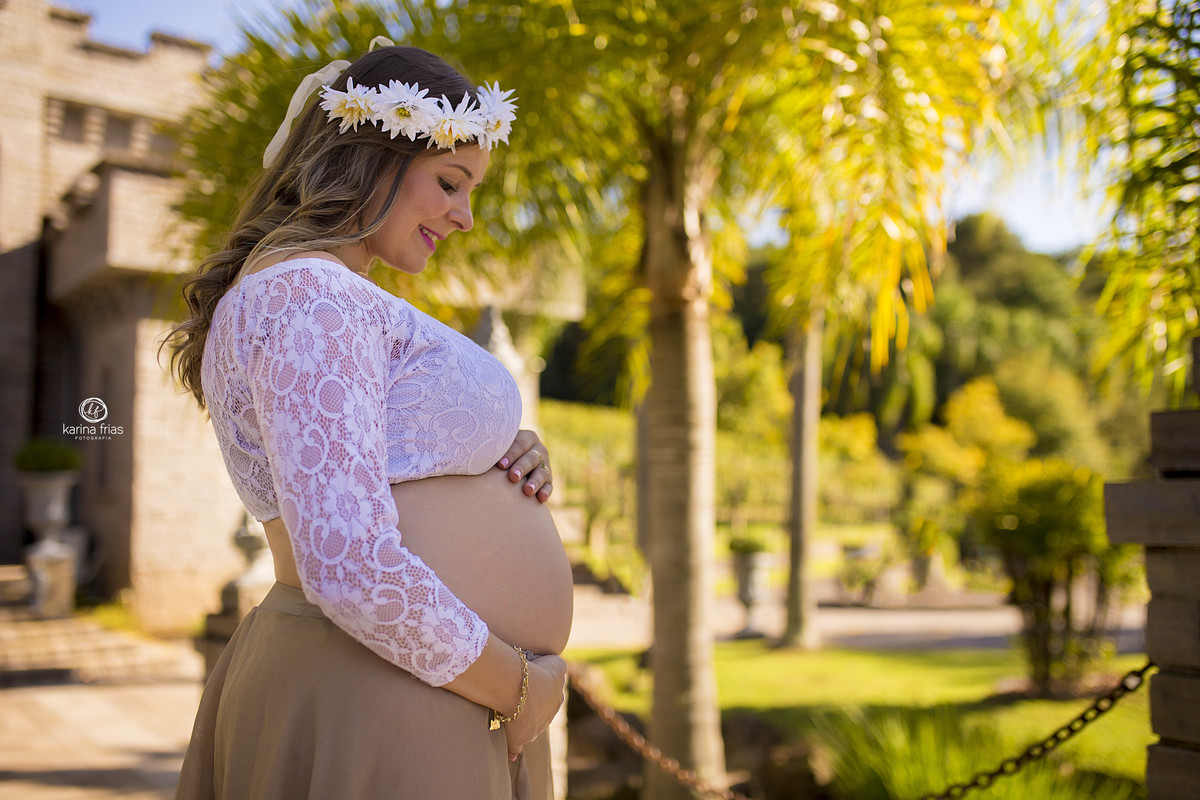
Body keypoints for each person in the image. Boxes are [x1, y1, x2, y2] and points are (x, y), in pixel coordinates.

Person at [164, 40, 574, 799]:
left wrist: (499, 451)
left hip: (413, 682)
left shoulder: (318, 296)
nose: (465, 216)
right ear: (372, 159)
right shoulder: (310, 296)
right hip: (385, 687)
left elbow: (379, 452)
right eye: (451, 182)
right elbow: (348, 563)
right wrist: (516, 685)